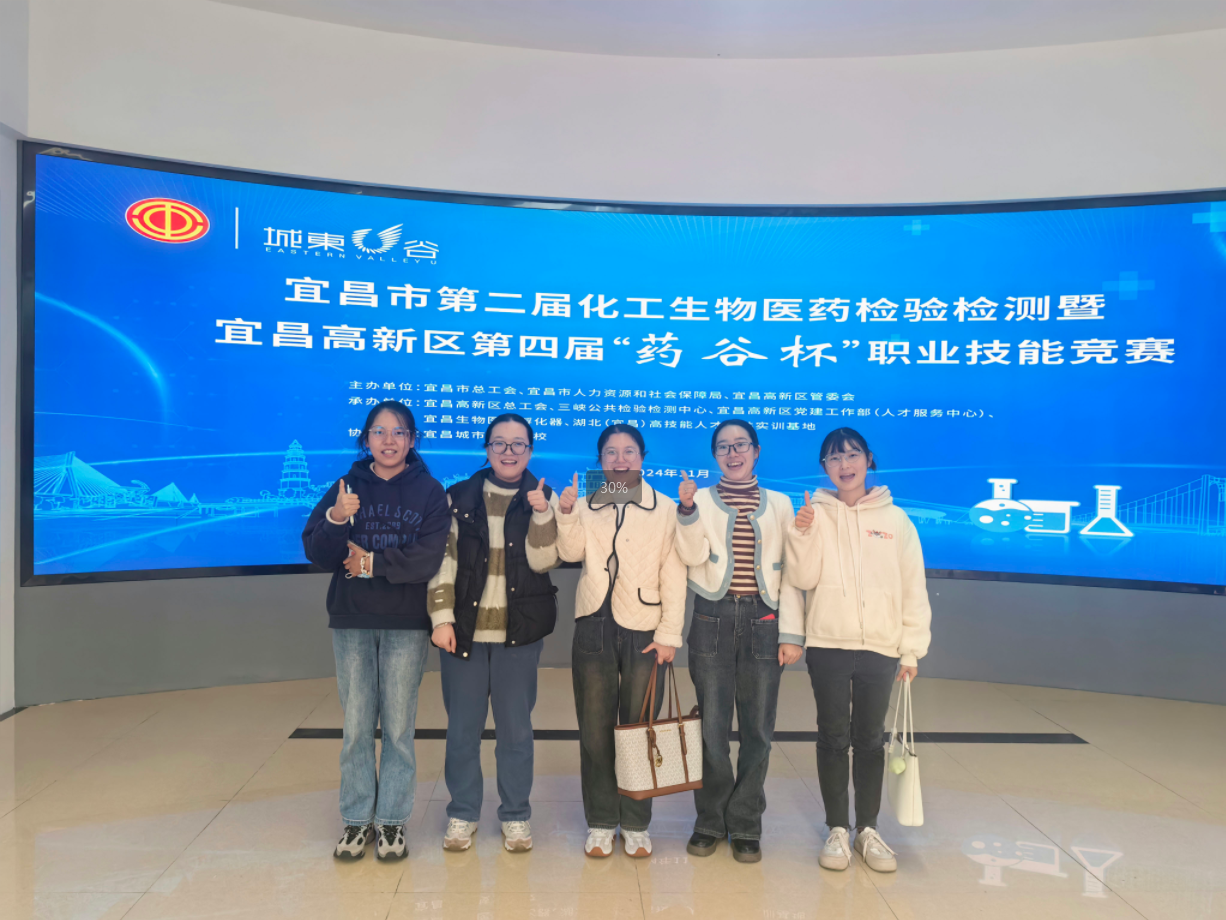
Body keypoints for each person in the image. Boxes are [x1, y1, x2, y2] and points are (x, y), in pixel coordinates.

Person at [302, 400, 449, 861]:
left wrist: (371, 564)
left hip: (406, 623)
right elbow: (318, 553)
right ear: (365, 439)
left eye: (399, 432)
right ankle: (356, 819)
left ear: (412, 440)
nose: (389, 440)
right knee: (357, 727)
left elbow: (428, 558)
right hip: (352, 619)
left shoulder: (429, 491)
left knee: (399, 729)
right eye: (379, 432)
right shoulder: (345, 488)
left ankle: (391, 821)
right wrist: (336, 518)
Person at [784, 427, 932, 873]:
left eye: (851, 455)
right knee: (832, 737)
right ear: (824, 467)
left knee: (870, 740)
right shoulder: (814, 514)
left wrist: (911, 649)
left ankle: (868, 828)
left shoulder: (896, 521)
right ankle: (836, 828)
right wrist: (802, 533)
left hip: (880, 648)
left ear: (869, 460)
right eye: (834, 458)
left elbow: (913, 586)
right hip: (827, 643)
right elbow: (802, 579)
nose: (844, 465)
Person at [425, 413, 561, 853]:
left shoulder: (544, 497)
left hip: (518, 634)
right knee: (462, 732)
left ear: (530, 451)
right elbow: (443, 561)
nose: (508, 451)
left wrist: (542, 513)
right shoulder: (458, 496)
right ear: (486, 449)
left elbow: (544, 562)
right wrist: (441, 618)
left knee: (516, 733)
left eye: (518, 444)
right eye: (499, 443)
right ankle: (463, 813)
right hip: (463, 633)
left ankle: (516, 815)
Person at [674, 420, 806, 863]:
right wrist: (687, 511)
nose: (733, 454)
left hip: (765, 620)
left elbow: (790, 571)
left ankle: (746, 823)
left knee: (758, 731)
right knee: (712, 729)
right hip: (712, 616)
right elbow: (691, 557)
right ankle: (710, 820)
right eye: (724, 447)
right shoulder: (698, 500)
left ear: (757, 450)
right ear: (714, 455)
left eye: (741, 445)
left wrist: (791, 633)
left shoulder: (781, 504)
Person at [556, 424, 686, 859]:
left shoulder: (664, 508)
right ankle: (600, 821)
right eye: (610, 452)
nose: (620, 459)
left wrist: (669, 634)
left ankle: (635, 823)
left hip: (645, 627)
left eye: (629, 451)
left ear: (643, 457)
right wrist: (567, 513)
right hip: (593, 623)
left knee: (639, 729)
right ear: (600, 460)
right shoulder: (588, 503)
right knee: (594, 731)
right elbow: (571, 553)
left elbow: (674, 573)